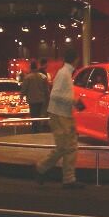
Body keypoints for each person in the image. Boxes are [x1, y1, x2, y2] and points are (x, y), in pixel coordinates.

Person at [35, 48, 85, 189]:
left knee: (69, 147)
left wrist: (73, 101)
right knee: (65, 147)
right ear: (76, 59)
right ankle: (42, 168)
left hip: (63, 114)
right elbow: (55, 95)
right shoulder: (64, 74)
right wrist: (74, 101)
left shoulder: (65, 73)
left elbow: (56, 94)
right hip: (60, 115)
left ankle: (68, 179)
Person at [20, 60, 50, 133]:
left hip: (32, 100)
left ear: (31, 68)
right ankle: (39, 128)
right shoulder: (43, 77)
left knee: (33, 115)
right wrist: (48, 97)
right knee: (40, 114)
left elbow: (24, 89)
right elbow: (47, 89)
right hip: (41, 99)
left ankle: (34, 129)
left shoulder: (27, 77)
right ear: (36, 67)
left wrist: (21, 97)